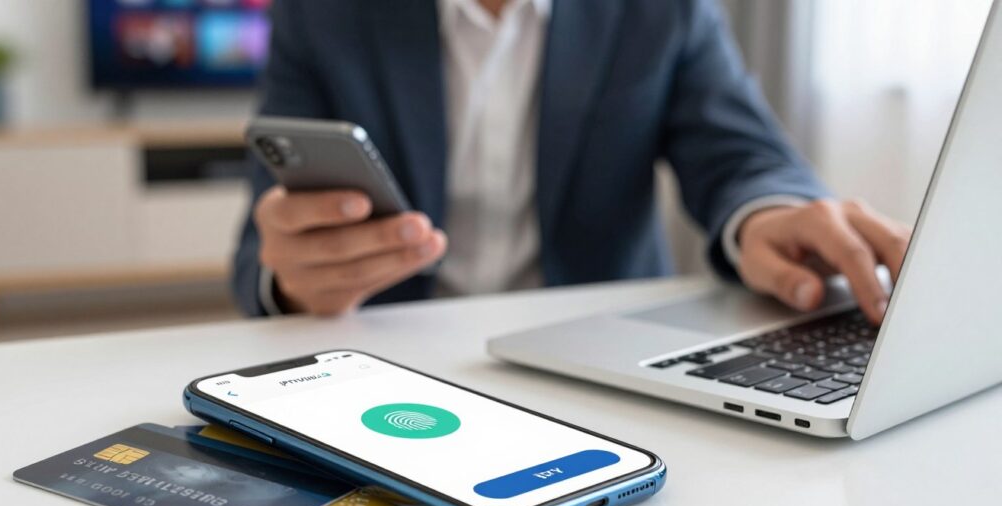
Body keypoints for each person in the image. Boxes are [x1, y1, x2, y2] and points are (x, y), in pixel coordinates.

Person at [234, 0, 912, 324]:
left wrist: (771, 215)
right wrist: (297, 281)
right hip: (390, 358)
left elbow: (742, 155)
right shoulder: (321, 14)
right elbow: (261, 250)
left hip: (599, 354)